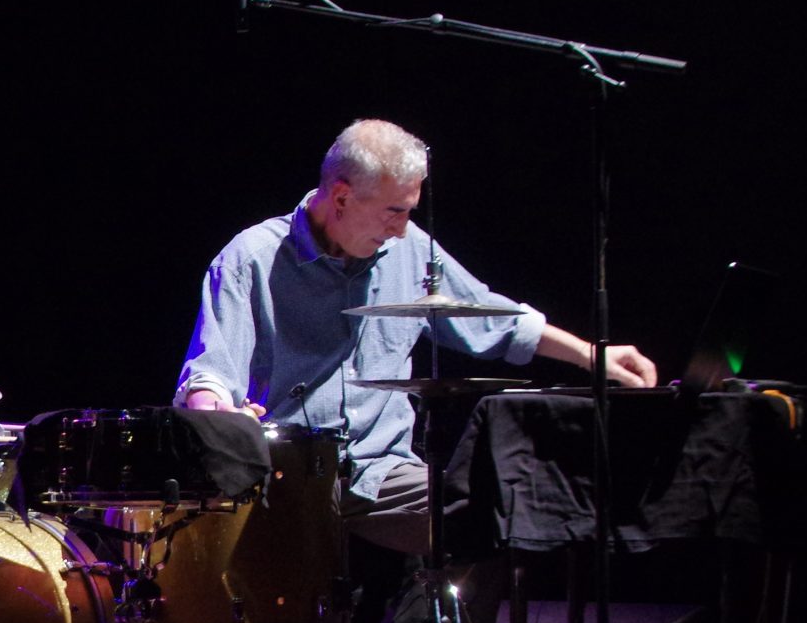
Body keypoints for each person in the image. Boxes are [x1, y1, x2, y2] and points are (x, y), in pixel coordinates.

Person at [177, 118, 656, 555]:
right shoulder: (250, 258)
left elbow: (494, 319)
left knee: (491, 521)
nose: (403, 229)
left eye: (410, 211)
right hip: (286, 478)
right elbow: (209, 377)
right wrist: (218, 413)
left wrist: (591, 355)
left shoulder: (410, 252)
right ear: (341, 197)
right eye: (393, 211)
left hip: (382, 471)